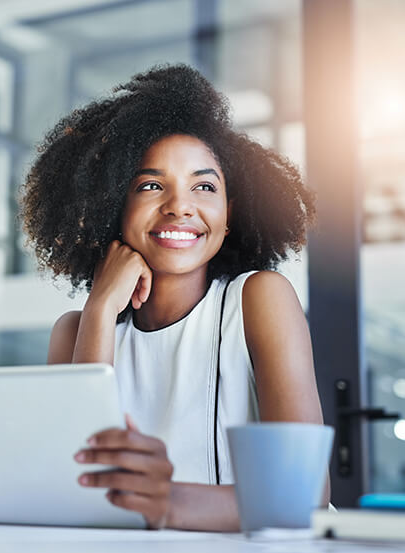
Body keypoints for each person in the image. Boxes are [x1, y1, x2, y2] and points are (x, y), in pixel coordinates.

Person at [20, 64, 328, 531]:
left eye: (204, 186)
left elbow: (303, 493)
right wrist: (100, 310)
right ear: (112, 207)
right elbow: (76, 489)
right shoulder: (75, 330)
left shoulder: (258, 299)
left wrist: (167, 503)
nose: (180, 206)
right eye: (150, 185)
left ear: (228, 214)